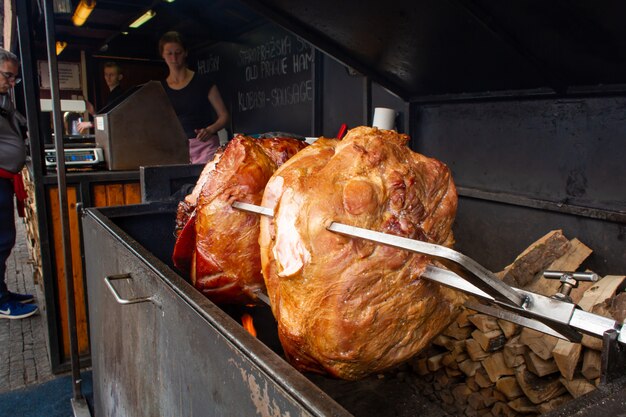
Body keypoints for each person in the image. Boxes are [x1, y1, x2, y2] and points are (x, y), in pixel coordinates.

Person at [0, 48, 38, 319]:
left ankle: (2, 291)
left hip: (5, 180)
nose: (11, 83)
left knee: (5, 240)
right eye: (7, 76)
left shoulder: (3, 100)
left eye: (14, 78)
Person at [159, 31, 229, 164]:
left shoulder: (203, 82)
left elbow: (224, 116)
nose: (174, 58)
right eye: (169, 53)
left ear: (185, 52)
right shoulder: (161, 89)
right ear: (163, 55)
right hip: (177, 151)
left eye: (178, 52)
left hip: (206, 148)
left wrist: (210, 129)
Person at [77, 61, 125, 132]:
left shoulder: (118, 95)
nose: (108, 78)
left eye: (111, 75)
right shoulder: (112, 94)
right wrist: (93, 111)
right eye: (106, 74)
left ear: (120, 77)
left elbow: (112, 121)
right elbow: (106, 120)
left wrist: (90, 124)